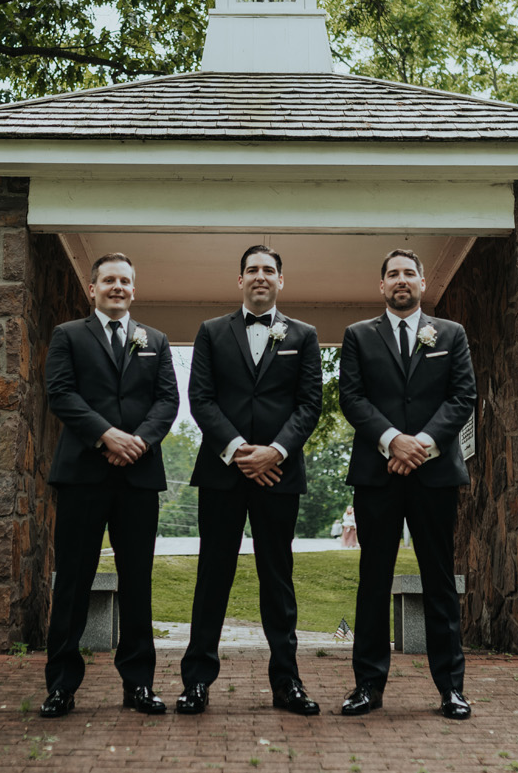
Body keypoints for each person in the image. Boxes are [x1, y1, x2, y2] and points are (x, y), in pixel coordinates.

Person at [176, 244, 323, 716]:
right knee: (211, 576)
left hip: (278, 473)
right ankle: (196, 681)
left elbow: (309, 405)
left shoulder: (305, 335)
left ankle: (288, 682)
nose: (261, 277)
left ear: (282, 281)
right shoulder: (212, 332)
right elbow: (201, 399)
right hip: (223, 473)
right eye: (252, 270)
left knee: (278, 579)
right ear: (240, 280)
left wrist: (274, 451)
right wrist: (238, 450)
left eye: (269, 270)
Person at [337, 248, 477, 721]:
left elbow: (463, 397)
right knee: (373, 581)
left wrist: (422, 445)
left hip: (434, 475)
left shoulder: (452, 334)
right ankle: (367, 686)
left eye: (409, 274)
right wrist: (393, 441)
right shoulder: (358, 336)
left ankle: (451, 689)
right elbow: (351, 398)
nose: (401, 280)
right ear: (381, 286)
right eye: (393, 274)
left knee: (438, 582)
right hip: (377, 476)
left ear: (422, 284)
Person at [39, 253, 179, 719]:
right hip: (83, 474)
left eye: (125, 281)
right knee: (73, 582)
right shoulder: (68, 336)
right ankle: (61, 685)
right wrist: (106, 435)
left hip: (138, 476)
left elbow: (167, 400)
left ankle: (139, 684)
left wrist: (137, 441)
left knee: (138, 581)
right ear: (93, 288)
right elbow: (61, 393)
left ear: (134, 290)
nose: (117, 287)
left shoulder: (154, 341)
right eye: (109, 281)